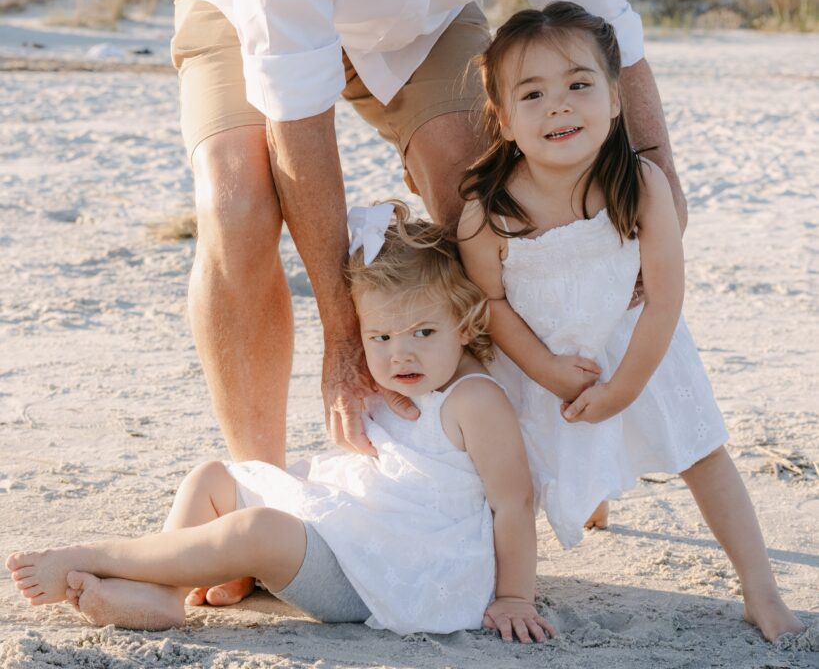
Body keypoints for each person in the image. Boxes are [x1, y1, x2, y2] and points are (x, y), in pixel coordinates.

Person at [162, 0, 683, 603]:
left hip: (426, 12)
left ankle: (517, 459)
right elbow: (298, 122)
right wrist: (341, 336)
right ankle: (263, 497)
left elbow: (606, 34)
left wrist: (657, 189)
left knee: (479, 194)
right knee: (239, 202)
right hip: (251, 3)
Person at [7, 204, 556, 643]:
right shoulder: (384, 379)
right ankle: (162, 596)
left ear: (464, 323)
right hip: (351, 531)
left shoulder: (474, 400)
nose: (399, 357)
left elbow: (513, 502)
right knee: (213, 476)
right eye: (380, 337)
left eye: (422, 333)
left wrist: (515, 597)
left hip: (392, 575)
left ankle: (92, 556)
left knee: (256, 529)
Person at [456, 1, 803, 642]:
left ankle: (760, 587)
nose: (559, 106)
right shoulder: (488, 210)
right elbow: (493, 308)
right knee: (514, 473)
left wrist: (624, 388)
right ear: (503, 121)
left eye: (579, 85)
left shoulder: (642, 184)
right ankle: (517, 584)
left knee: (701, 449)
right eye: (533, 94)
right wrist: (551, 372)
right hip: (535, 358)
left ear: (616, 99)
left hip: (638, 344)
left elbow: (667, 298)